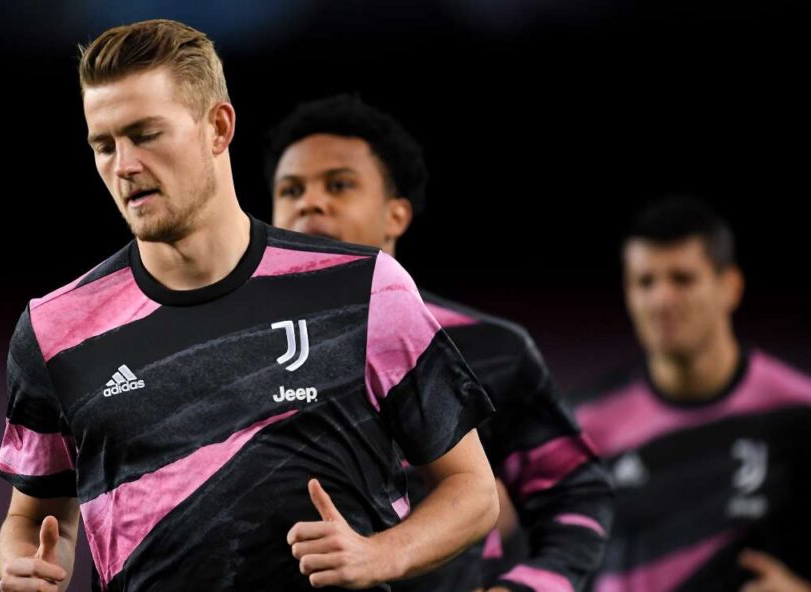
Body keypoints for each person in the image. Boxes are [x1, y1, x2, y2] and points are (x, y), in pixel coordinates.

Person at [0, 20, 500, 592]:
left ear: (218, 127)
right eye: (104, 146)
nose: (124, 165)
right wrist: (26, 564)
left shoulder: (364, 289)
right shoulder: (55, 328)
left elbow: (472, 491)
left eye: (146, 134)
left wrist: (380, 555)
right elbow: (36, 518)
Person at [266, 94, 613, 592]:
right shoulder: (233, 351)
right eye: (291, 189)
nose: (310, 203)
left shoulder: (490, 348)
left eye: (339, 185)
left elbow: (575, 490)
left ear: (396, 215)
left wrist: (526, 587)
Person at [573, 197, 811, 591]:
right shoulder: (586, 425)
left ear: (730, 287)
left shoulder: (797, 413)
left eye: (682, 279)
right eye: (645, 282)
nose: (662, 300)